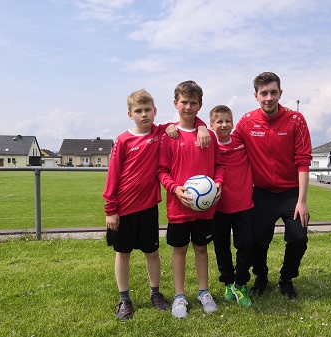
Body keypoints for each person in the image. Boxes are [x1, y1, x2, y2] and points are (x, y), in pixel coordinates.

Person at [103, 89, 210, 321]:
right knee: (123, 254)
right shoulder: (123, 140)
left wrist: (202, 126)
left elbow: (187, 119)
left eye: (147, 110)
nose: (144, 114)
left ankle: (155, 293)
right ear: (130, 114)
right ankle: (124, 299)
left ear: (155, 111)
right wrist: (110, 209)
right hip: (123, 209)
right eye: (138, 111)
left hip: (149, 207)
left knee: (152, 252)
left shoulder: (161, 133)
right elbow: (113, 176)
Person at [232, 72, 312, 300]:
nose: (269, 98)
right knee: (257, 241)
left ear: (280, 93)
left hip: (291, 195)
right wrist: (197, 128)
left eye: (273, 92)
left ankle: (286, 279)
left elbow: (303, 160)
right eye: (264, 93)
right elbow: (225, 142)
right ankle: (261, 277)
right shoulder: (247, 121)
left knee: (299, 238)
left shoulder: (296, 120)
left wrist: (302, 201)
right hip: (261, 194)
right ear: (256, 95)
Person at [157, 80, 225, 319]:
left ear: (200, 105)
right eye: (183, 102)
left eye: (193, 103)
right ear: (175, 103)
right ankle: (179, 296)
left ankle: (203, 292)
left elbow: (219, 166)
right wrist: (175, 189)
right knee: (179, 250)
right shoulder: (169, 135)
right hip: (178, 207)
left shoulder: (209, 136)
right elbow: (162, 171)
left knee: (201, 249)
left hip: (204, 209)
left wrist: (218, 184)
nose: (188, 106)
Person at [209, 105, 254, 307]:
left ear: (233, 123)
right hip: (218, 207)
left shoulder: (241, 140)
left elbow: (256, 121)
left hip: (244, 204)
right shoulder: (207, 144)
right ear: (211, 125)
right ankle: (228, 282)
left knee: (246, 244)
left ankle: (241, 282)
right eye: (219, 121)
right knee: (221, 247)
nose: (224, 124)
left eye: (228, 121)